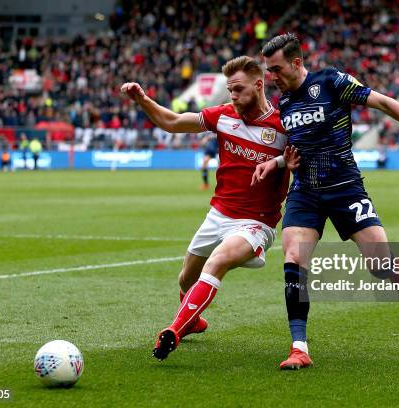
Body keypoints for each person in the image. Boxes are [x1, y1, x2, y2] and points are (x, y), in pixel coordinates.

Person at [253, 33, 399, 369]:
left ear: (296, 62)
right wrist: (278, 163)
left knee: (378, 266)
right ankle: (299, 347)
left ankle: (390, 266)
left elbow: (383, 102)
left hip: (345, 186)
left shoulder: (331, 81)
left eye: (276, 69)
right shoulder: (285, 104)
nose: (271, 77)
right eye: (268, 71)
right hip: (305, 191)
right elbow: (298, 149)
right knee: (293, 257)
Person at [121, 56, 299, 361]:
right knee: (185, 280)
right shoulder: (223, 116)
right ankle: (194, 322)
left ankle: (173, 331)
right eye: (229, 90)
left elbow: (307, 155)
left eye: (238, 89)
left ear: (259, 85)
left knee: (215, 262)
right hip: (218, 215)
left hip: (256, 222)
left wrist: (282, 162)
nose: (232, 95)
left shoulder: (284, 124)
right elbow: (172, 122)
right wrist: (142, 98)